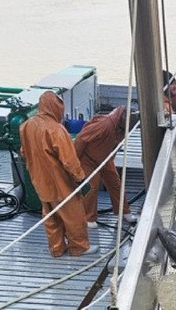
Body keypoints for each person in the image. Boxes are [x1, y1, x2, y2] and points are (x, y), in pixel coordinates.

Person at [20, 91, 98, 257]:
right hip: (60, 183)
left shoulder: (26, 125)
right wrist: (80, 178)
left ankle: (57, 248)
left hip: (39, 181)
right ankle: (79, 247)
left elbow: (23, 153)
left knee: (50, 216)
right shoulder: (56, 130)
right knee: (74, 215)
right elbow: (69, 160)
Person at [74, 106, 138, 228]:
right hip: (88, 160)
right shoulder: (104, 125)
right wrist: (75, 162)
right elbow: (81, 139)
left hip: (105, 159)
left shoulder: (121, 128)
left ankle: (123, 211)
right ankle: (88, 218)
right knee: (91, 188)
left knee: (115, 184)